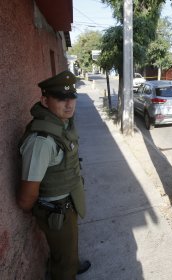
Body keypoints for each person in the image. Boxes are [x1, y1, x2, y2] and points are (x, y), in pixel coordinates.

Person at [17, 70, 91, 279]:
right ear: (45, 100)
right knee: (63, 264)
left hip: (69, 198)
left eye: (72, 97)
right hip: (56, 210)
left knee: (69, 245)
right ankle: (66, 269)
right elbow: (26, 197)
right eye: (60, 98)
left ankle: (71, 262)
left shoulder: (61, 122)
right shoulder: (41, 141)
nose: (69, 104)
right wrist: (38, 211)